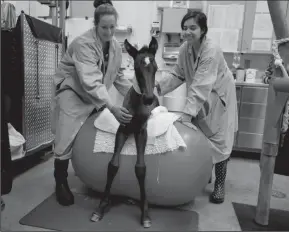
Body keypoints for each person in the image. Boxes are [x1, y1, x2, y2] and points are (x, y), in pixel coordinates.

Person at [51, 0, 133, 206]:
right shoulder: (83, 44)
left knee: (96, 132)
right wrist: (112, 107)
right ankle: (60, 181)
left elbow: (117, 75)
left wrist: (137, 94)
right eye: (104, 27)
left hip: (94, 95)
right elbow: (91, 81)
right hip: (73, 91)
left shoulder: (114, 45)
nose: (109, 31)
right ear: (95, 25)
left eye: (112, 27)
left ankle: (87, 169)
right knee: (66, 135)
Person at [155, 10, 238, 204]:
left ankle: (220, 184)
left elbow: (201, 83)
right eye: (184, 28)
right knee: (202, 136)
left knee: (220, 141)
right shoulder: (185, 49)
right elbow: (178, 74)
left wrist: (186, 114)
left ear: (203, 30)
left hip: (219, 97)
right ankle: (202, 175)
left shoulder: (212, 49)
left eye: (193, 27)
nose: (187, 32)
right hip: (200, 99)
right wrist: (158, 88)